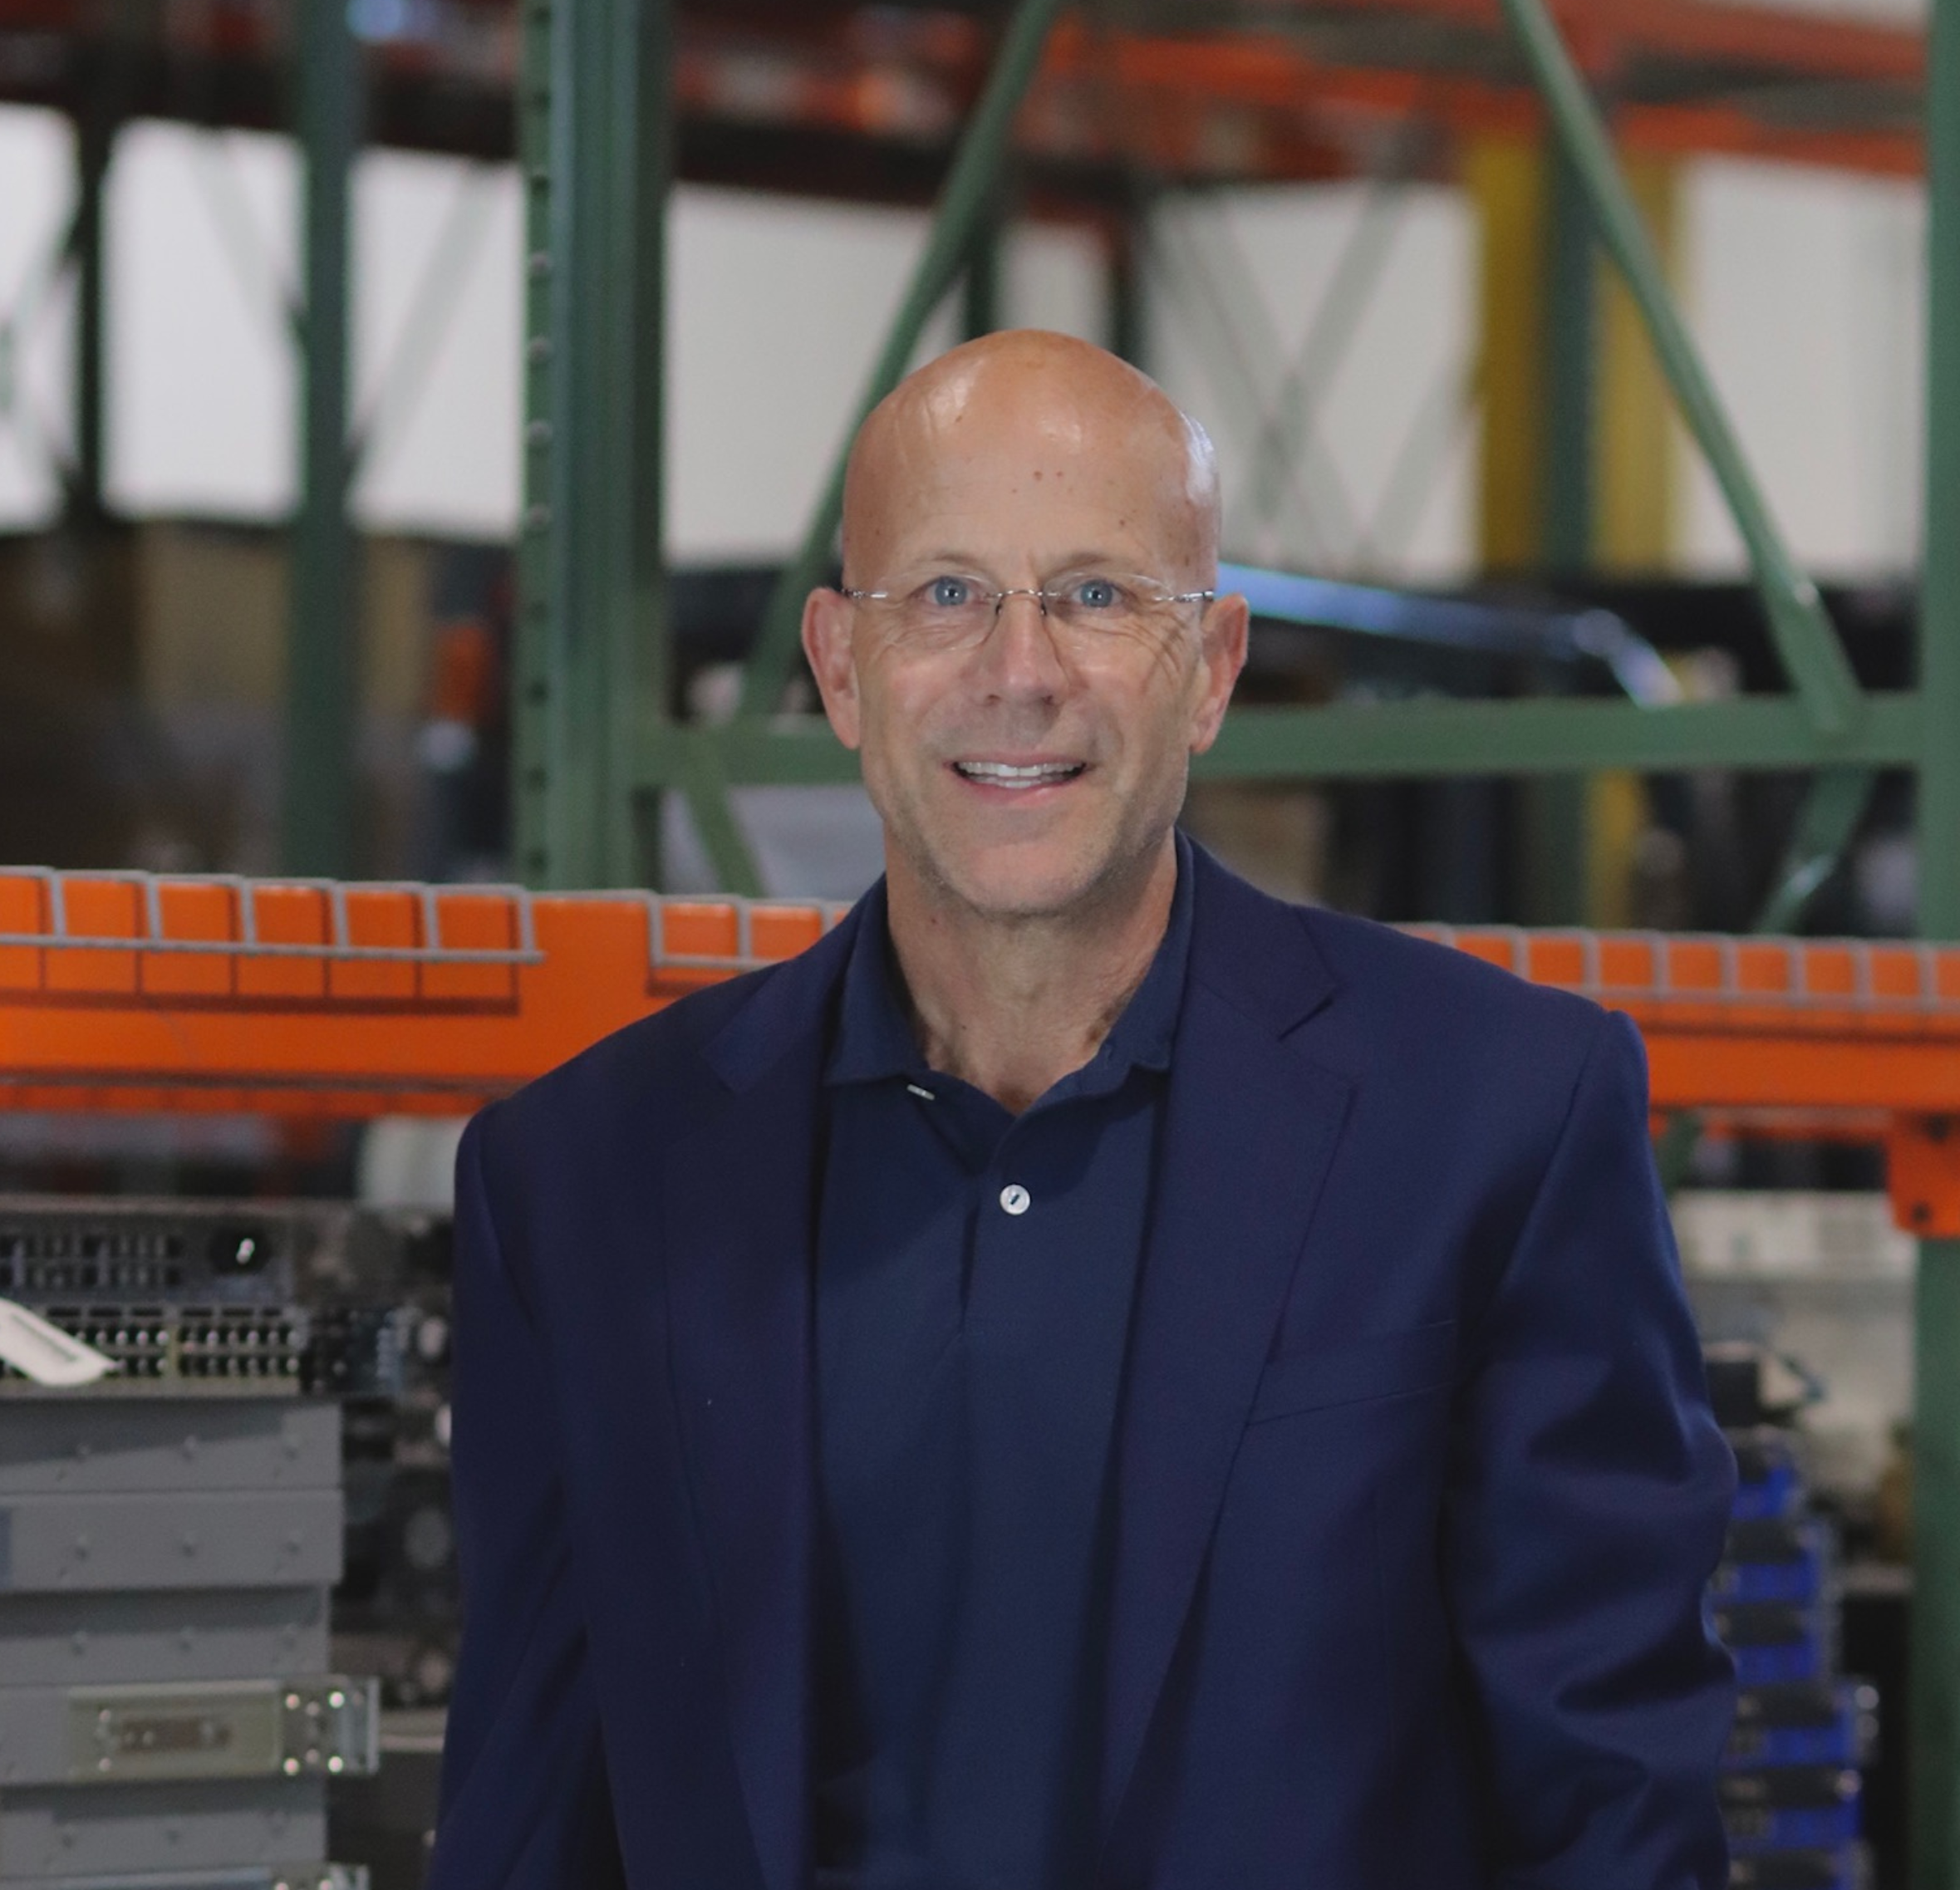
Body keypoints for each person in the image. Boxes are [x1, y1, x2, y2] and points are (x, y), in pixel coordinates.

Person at [429, 330, 1734, 1889]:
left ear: (1216, 670)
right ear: (844, 669)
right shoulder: (581, 1184)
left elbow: (1615, 1815)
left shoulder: (1493, 1126)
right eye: (948, 594)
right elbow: (526, 1817)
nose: (1021, 670)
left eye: (1101, 594)